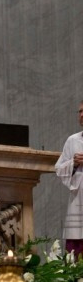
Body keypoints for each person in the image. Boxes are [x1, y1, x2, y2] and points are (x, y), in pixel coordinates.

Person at [55, 100, 83, 254]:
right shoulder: (72, 140)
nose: (82, 115)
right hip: (78, 202)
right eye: (80, 111)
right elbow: (59, 169)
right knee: (76, 254)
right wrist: (74, 164)